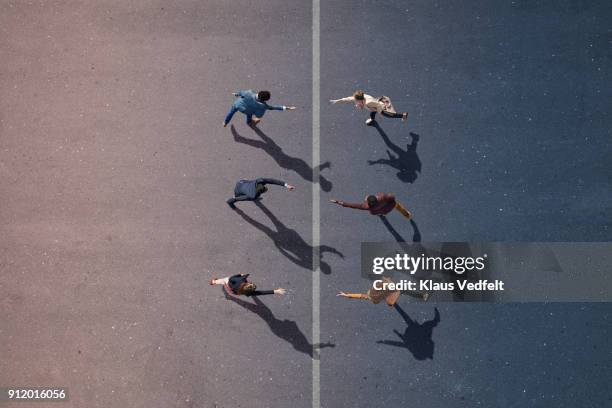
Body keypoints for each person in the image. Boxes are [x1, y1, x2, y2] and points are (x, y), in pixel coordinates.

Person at [330, 90, 408, 126]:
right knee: (372, 112)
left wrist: (384, 108)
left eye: (357, 101)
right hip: (372, 107)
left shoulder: (368, 102)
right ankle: (372, 119)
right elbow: (347, 99)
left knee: (389, 116)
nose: (355, 102)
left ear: (360, 100)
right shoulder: (359, 99)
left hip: (379, 107)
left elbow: (378, 104)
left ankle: (403, 115)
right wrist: (338, 100)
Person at [223, 89, 296, 127]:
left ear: (259, 92)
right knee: (249, 114)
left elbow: (240, 93)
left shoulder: (249, 92)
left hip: (238, 105)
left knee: (231, 112)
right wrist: (287, 108)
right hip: (247, 111)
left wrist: (236, 94)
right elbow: (273, 107)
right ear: (265, 100)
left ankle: (225, 123)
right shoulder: (263, 105)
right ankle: (249, 122)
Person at [329, 192, 412, 219]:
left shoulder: (367, 207)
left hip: (383, 211)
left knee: (374, 213)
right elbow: (392, 196)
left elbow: (353, 205)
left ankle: (382, 215)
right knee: (398, 206)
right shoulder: (382, 196)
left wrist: (338, 202)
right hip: (390, 206)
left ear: (368, 203)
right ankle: (407, 215)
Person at [227, 177, 295, 208]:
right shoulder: (252, 195)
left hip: (241, 182)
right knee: (235, 198)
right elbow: (241, 198)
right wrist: (235, 197)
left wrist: (286, 185)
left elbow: (272, 181)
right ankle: (230, 203)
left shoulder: (259, 180)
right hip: (238, 191)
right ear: (259, 192)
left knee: (248, 185)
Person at [210, 274, 286, 296]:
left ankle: (214, 282)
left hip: (230, 283)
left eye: (252, 284)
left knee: (224, 280)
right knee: (224, 282)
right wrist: (276, 291)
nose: (253, 284)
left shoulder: (240, 280)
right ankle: (216, 282)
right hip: (235, 292)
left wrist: (241, 275)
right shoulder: (248, 292)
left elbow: (231, 278)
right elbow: (261, 293)